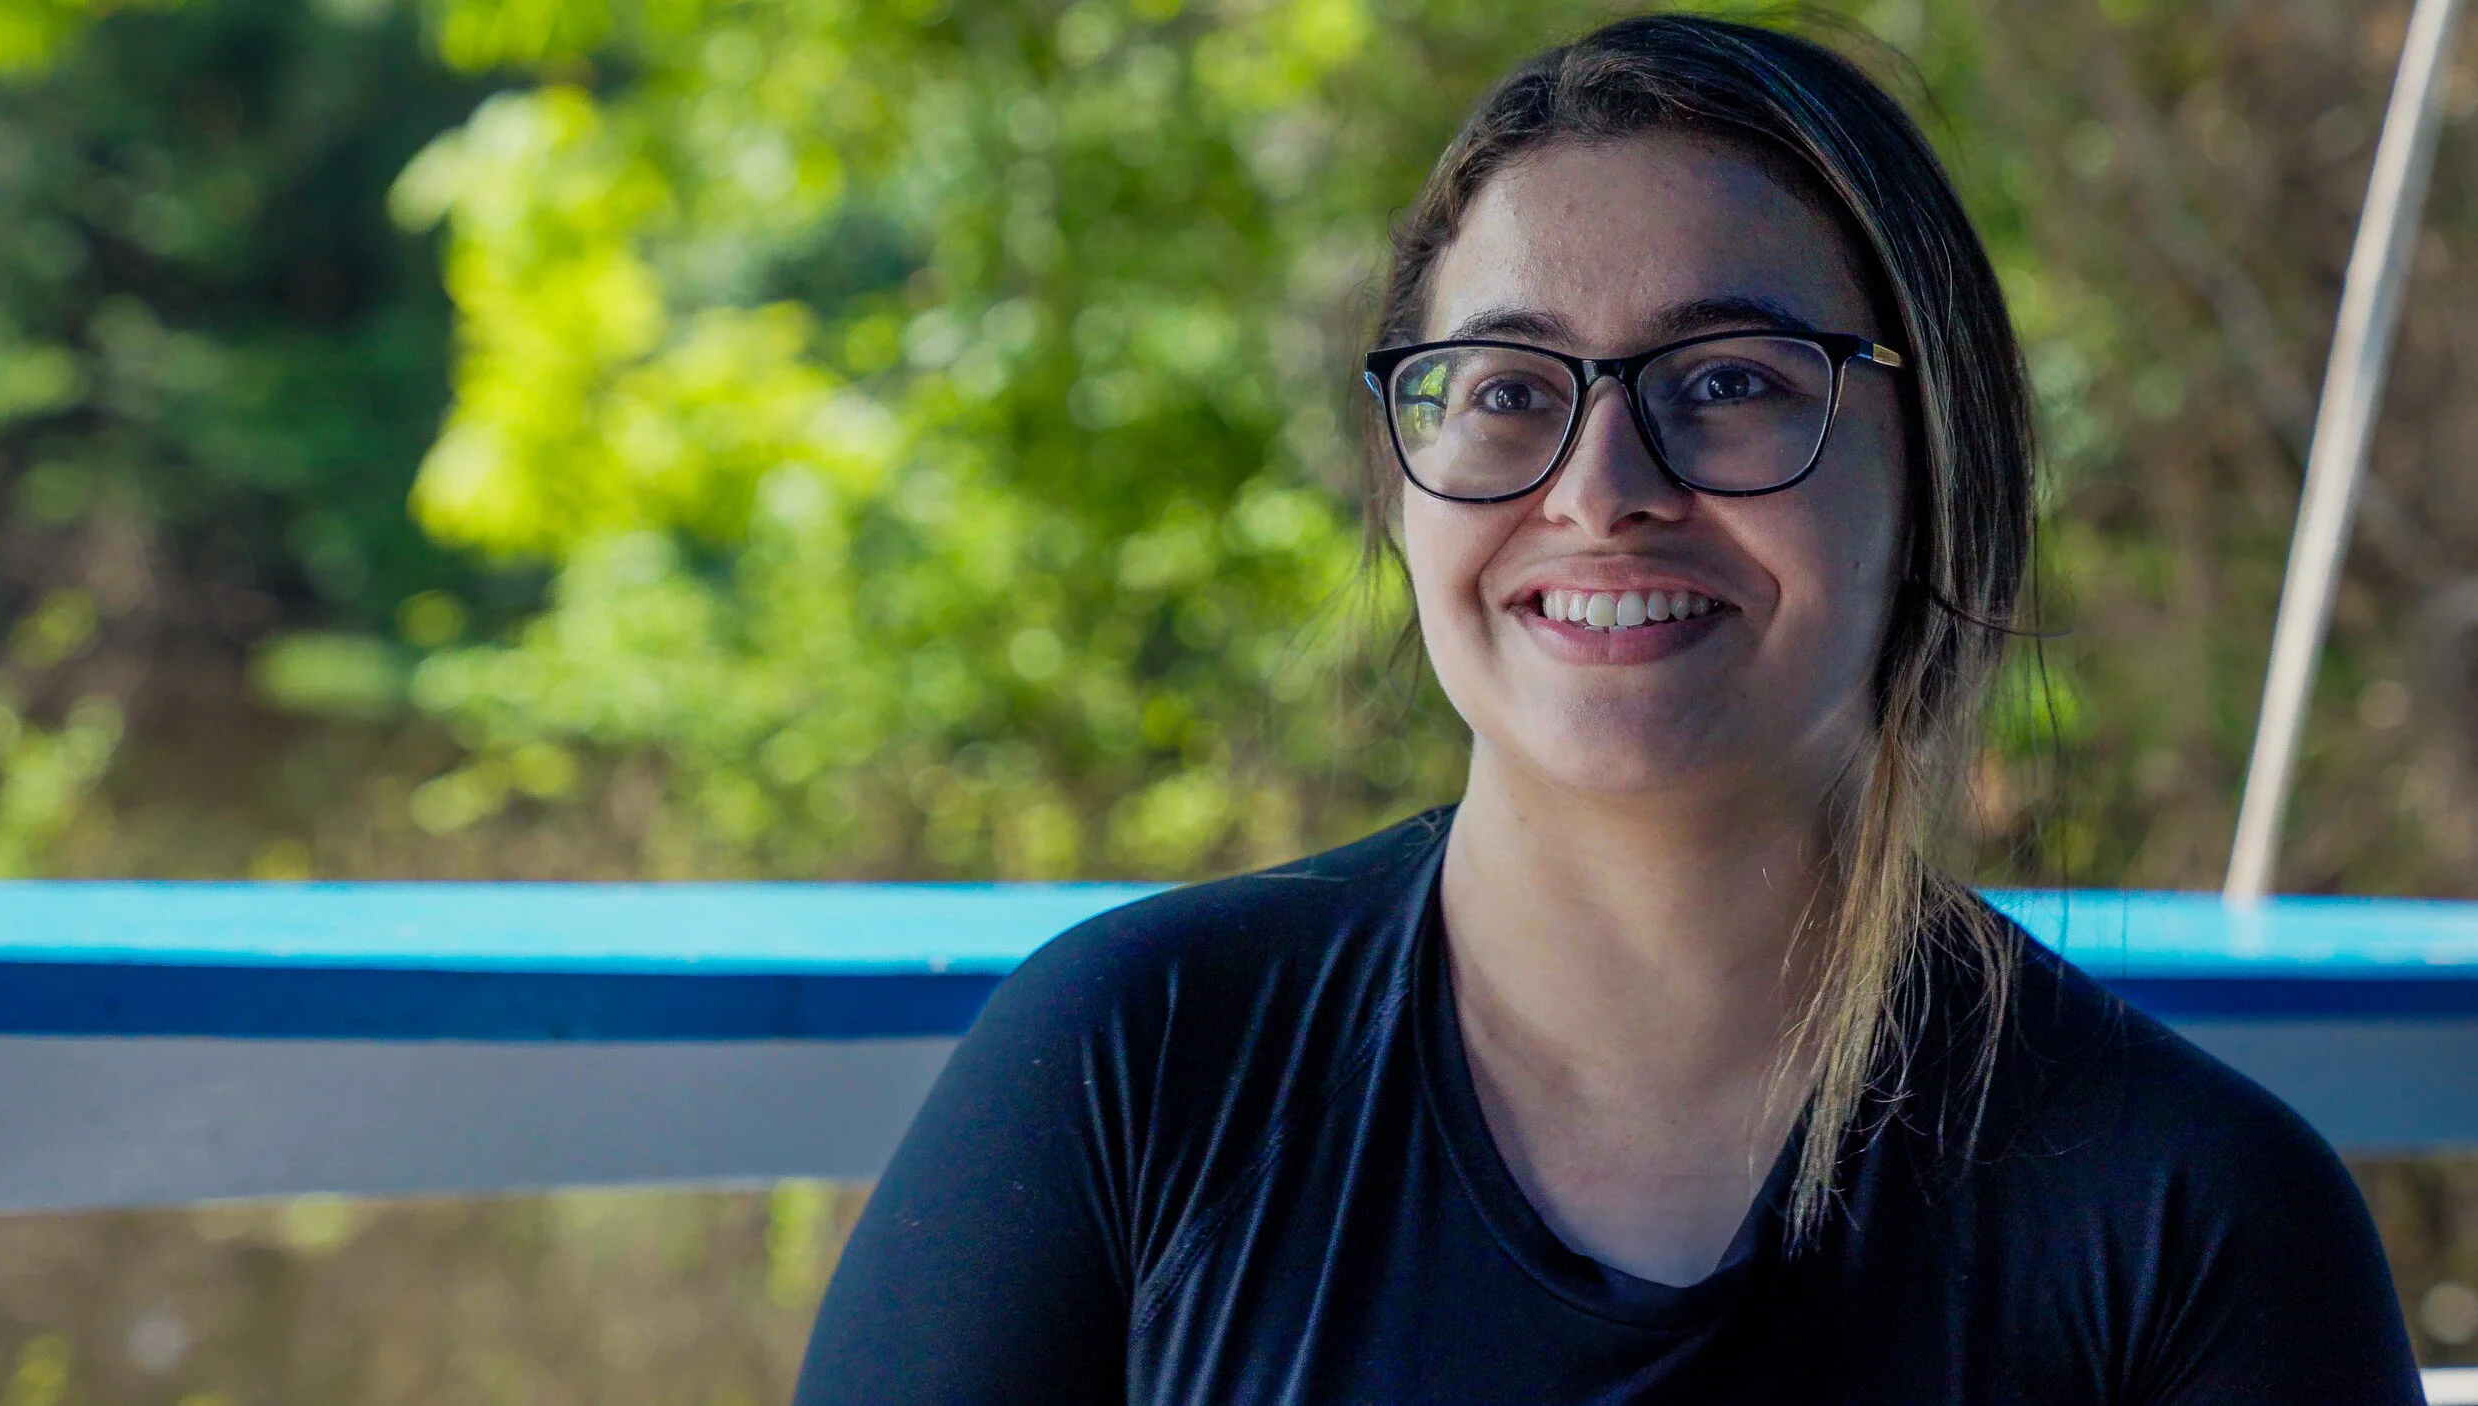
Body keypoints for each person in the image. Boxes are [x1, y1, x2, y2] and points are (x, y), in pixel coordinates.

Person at [793, 14, 2422, 1403]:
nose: (1600, 490)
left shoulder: (2191, 1215)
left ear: (1937, 472)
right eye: (1508, 391)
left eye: (1729, 381)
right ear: (1404, 485)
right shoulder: (1133, 1067)